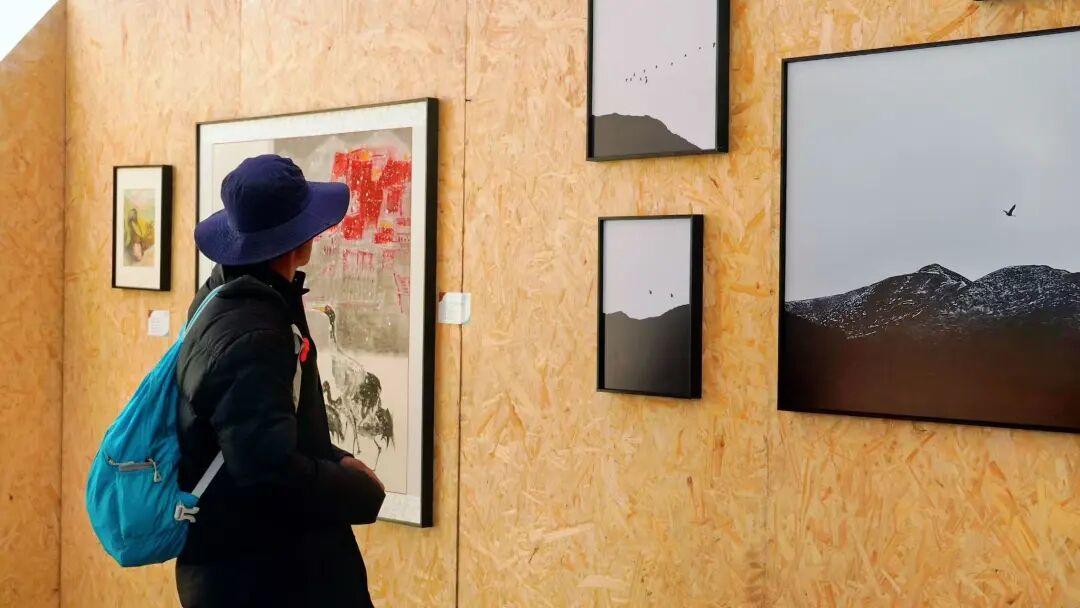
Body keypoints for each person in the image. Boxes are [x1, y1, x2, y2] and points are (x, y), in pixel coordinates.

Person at [175, 154, 386, 607]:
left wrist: (337, 458)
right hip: (267, 578)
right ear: (298, 240)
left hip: (244, 567)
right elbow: (264, 471)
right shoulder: (254, 332)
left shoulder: (224, 299)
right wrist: (356, 491)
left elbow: (260, 432)